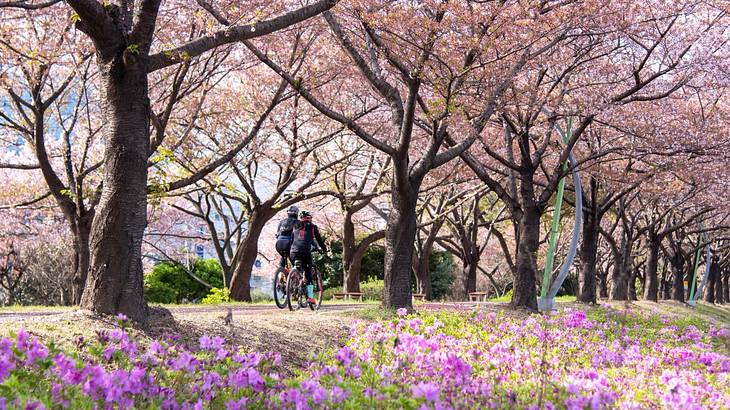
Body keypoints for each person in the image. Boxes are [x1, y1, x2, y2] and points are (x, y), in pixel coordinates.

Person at [289, 210, 327, 304]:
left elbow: (293, 238)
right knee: (308, 273)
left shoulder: (295, 225)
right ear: (310, 218)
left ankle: (295, 282)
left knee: (298, 267)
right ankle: (310, 297)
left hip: (293, 251)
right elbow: (319, 240)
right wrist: (324, 250)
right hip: (305, 252)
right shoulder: (313, 227)